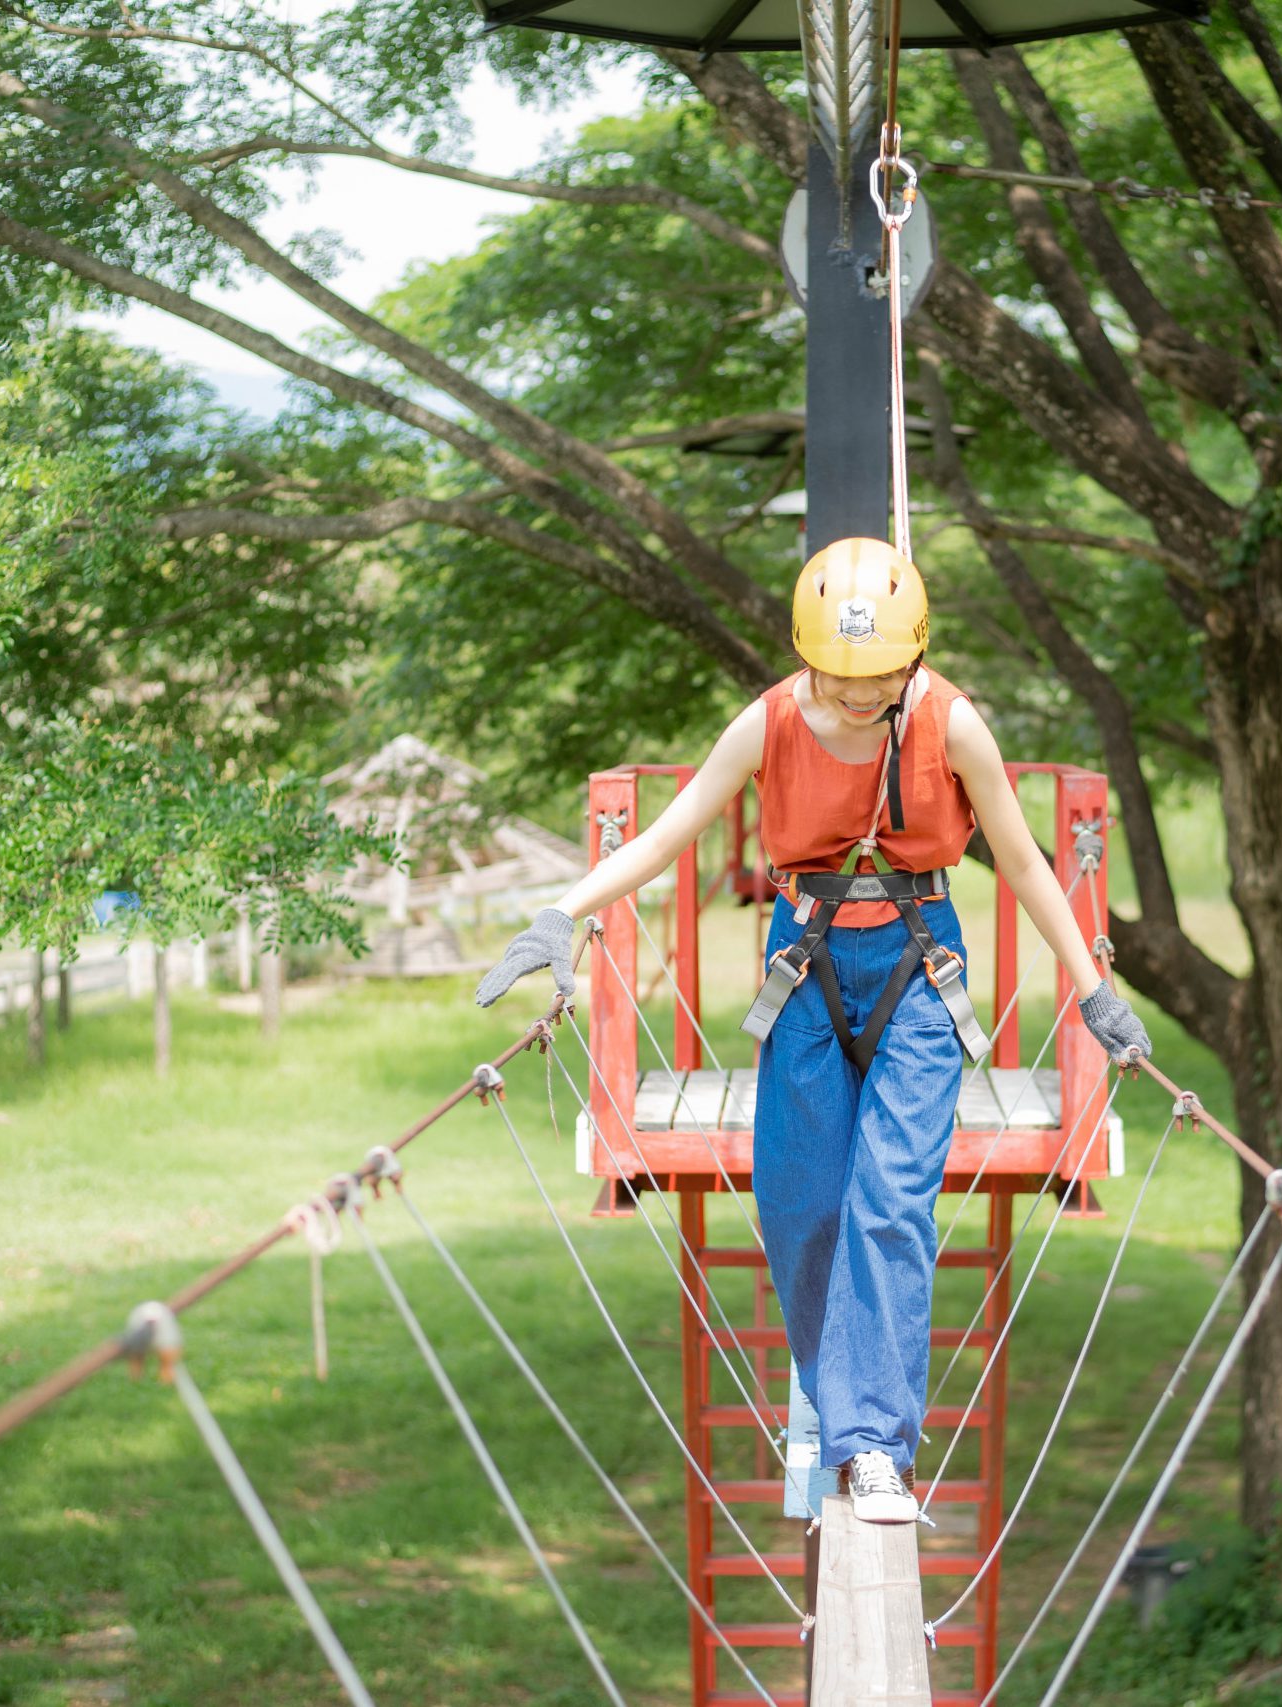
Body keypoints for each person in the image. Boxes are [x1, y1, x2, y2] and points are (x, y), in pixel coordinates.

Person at [477, 538, 1150, 1524]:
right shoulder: (766, 726)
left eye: (879, 677)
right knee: (799, 1209)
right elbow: (669, 835)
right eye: (839, 676)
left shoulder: (952, 726)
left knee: (889, 1203)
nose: (857, 696)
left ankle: (872, 1446)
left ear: (911, 660)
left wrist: (1092, 991)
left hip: (921, 968)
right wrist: (561, 912)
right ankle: (831, 1389)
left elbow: (1022, 860)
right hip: (806, 962)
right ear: (806, 659)